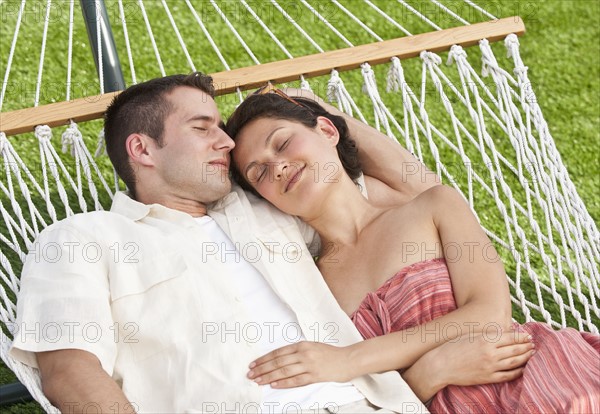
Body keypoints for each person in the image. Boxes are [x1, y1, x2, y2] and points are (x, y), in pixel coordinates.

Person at [9, 73, 439, 413]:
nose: (227, 142)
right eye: (203, 128)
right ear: (142, 149)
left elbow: (418, 195)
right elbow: (69, 371)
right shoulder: (80, 239)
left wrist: (320, 115)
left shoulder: (272, 206)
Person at [225, 89, 600, 413]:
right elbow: (363, 401)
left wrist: (348, 359)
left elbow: (490, 313)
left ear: (326, 131)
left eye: (282, 142)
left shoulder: (431, 206)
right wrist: (432, 371)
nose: (277, 166)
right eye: (258, 173)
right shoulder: (309, 286)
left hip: (533, 374)